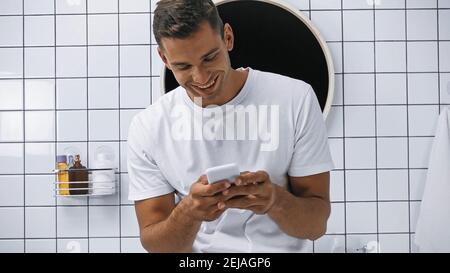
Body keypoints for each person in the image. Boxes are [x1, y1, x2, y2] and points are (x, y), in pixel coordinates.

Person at [127, 0, 334, 253]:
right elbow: (156, 245)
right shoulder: (148, 127)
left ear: (227, 37)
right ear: (164, 58)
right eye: (184, 66)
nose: (201, 78)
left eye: (209, 57)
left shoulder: (295, 99)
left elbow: (316, 226)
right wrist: (189, 212)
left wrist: (274, 199)